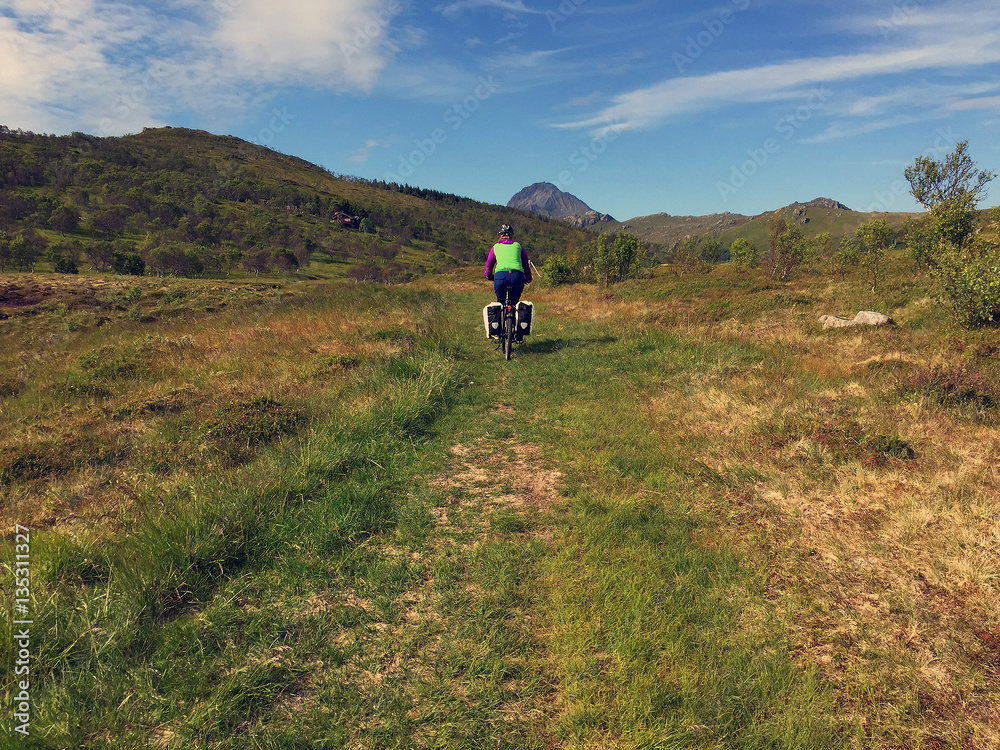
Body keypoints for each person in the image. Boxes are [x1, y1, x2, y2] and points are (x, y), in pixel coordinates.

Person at [484, 224, 531, 304]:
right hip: (517, 277)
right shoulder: (518, 246)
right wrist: (528, 278)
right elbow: (525, 264)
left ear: (500, 236)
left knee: (500, 303)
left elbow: (489, 264)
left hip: (500, 277)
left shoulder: (495, 247)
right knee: (515, 303)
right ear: (511, 236)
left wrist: (489, 275)